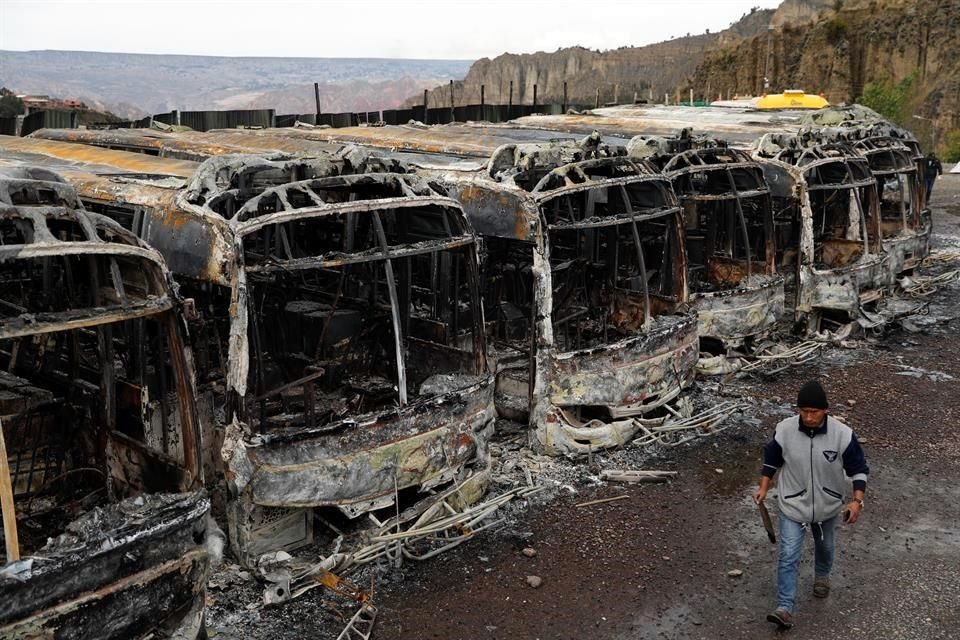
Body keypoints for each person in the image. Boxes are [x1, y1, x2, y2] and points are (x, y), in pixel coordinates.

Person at [753, 381, 869, 630]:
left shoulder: (843, 435)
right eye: (803, 411)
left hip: (828, 505)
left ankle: (822, 576)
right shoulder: (784, 430)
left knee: (825, 546)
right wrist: (763, 487)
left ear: (825, 410)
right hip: (793, 503)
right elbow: (771, 460)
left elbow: (858, 469)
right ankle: (784, 608)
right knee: (788, 555)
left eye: (814, 412)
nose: (808, 417)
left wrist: (857, 500)